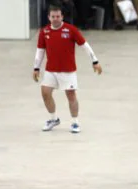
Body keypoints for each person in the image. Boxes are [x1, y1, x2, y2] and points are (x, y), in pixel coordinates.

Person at [33, 5, 102, 134]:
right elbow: (40, 51)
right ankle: (53, 119)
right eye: (53, 16)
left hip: (68, 71)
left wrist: (95, 61)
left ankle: (75, 122)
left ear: (62, 17)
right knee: (45, 93)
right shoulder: (44, 32)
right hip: (51, 70)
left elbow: (85, 45)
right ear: (49, 17)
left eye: (58, 16)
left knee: (71, 95)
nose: (55, 19)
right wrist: (36, 68)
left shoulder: (71, 30)